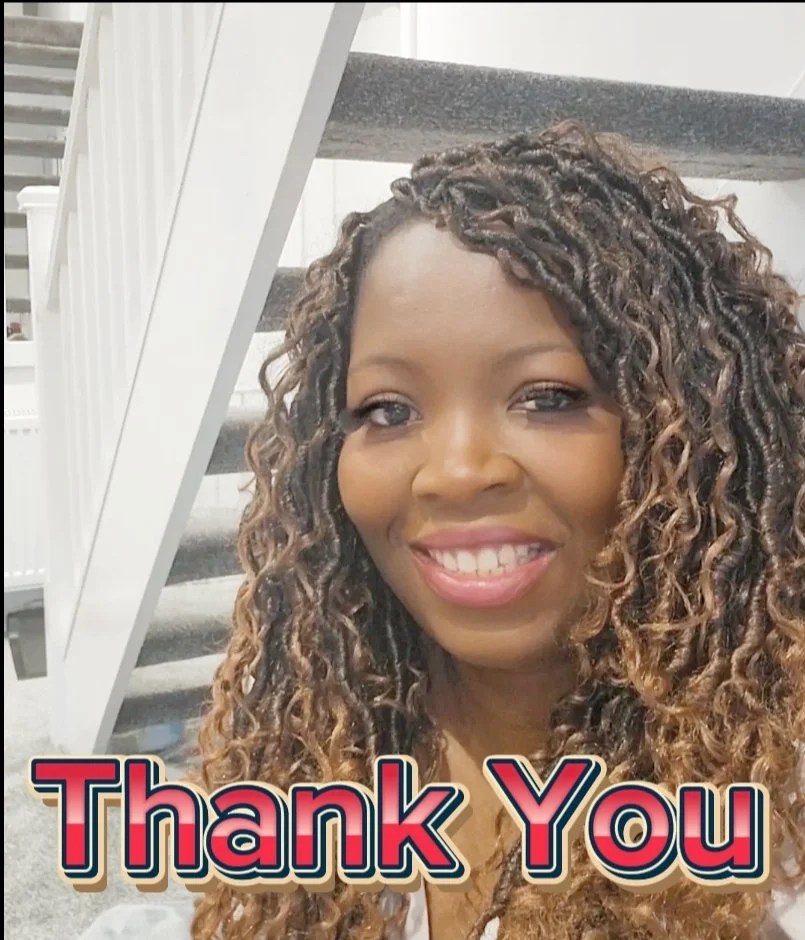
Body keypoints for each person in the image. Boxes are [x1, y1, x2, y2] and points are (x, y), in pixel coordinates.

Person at [82, 121, 803, 939]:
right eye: (388, 410)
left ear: (700, 436)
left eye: (548, 395)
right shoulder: (319, 750)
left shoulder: (770, 840)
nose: (455, 471)